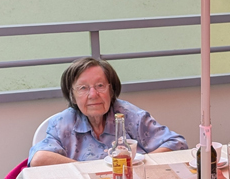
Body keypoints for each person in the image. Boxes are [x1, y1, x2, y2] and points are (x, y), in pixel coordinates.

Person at [28, 57, 188, 166]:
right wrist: (91, 170)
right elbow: (39, 159)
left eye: (100, 86)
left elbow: (177, 144)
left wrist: (137, 164)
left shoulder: (131, 116)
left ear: (111, 90)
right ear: (72, 95)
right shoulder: (62, 123)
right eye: (83, 88)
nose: (93, 95)